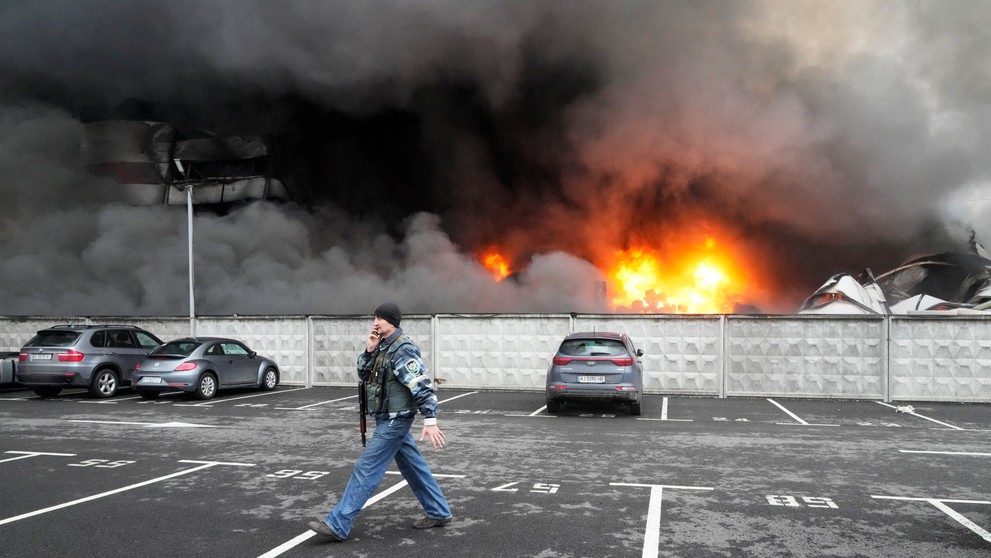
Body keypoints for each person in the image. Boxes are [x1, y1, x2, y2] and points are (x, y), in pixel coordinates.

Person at [308, 302, 452, 542]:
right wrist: (369, 349)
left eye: (380, 318)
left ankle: (338, 524)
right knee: (413, 467)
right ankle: (439, 512)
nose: (375, 322)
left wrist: (430, 420)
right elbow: (363, 374)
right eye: (375, 317)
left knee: (367, 468)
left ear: (392, 321)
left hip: (396, 421)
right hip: (387, 417)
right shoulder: (383, 347)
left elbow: (422, 386)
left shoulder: (403, 349)